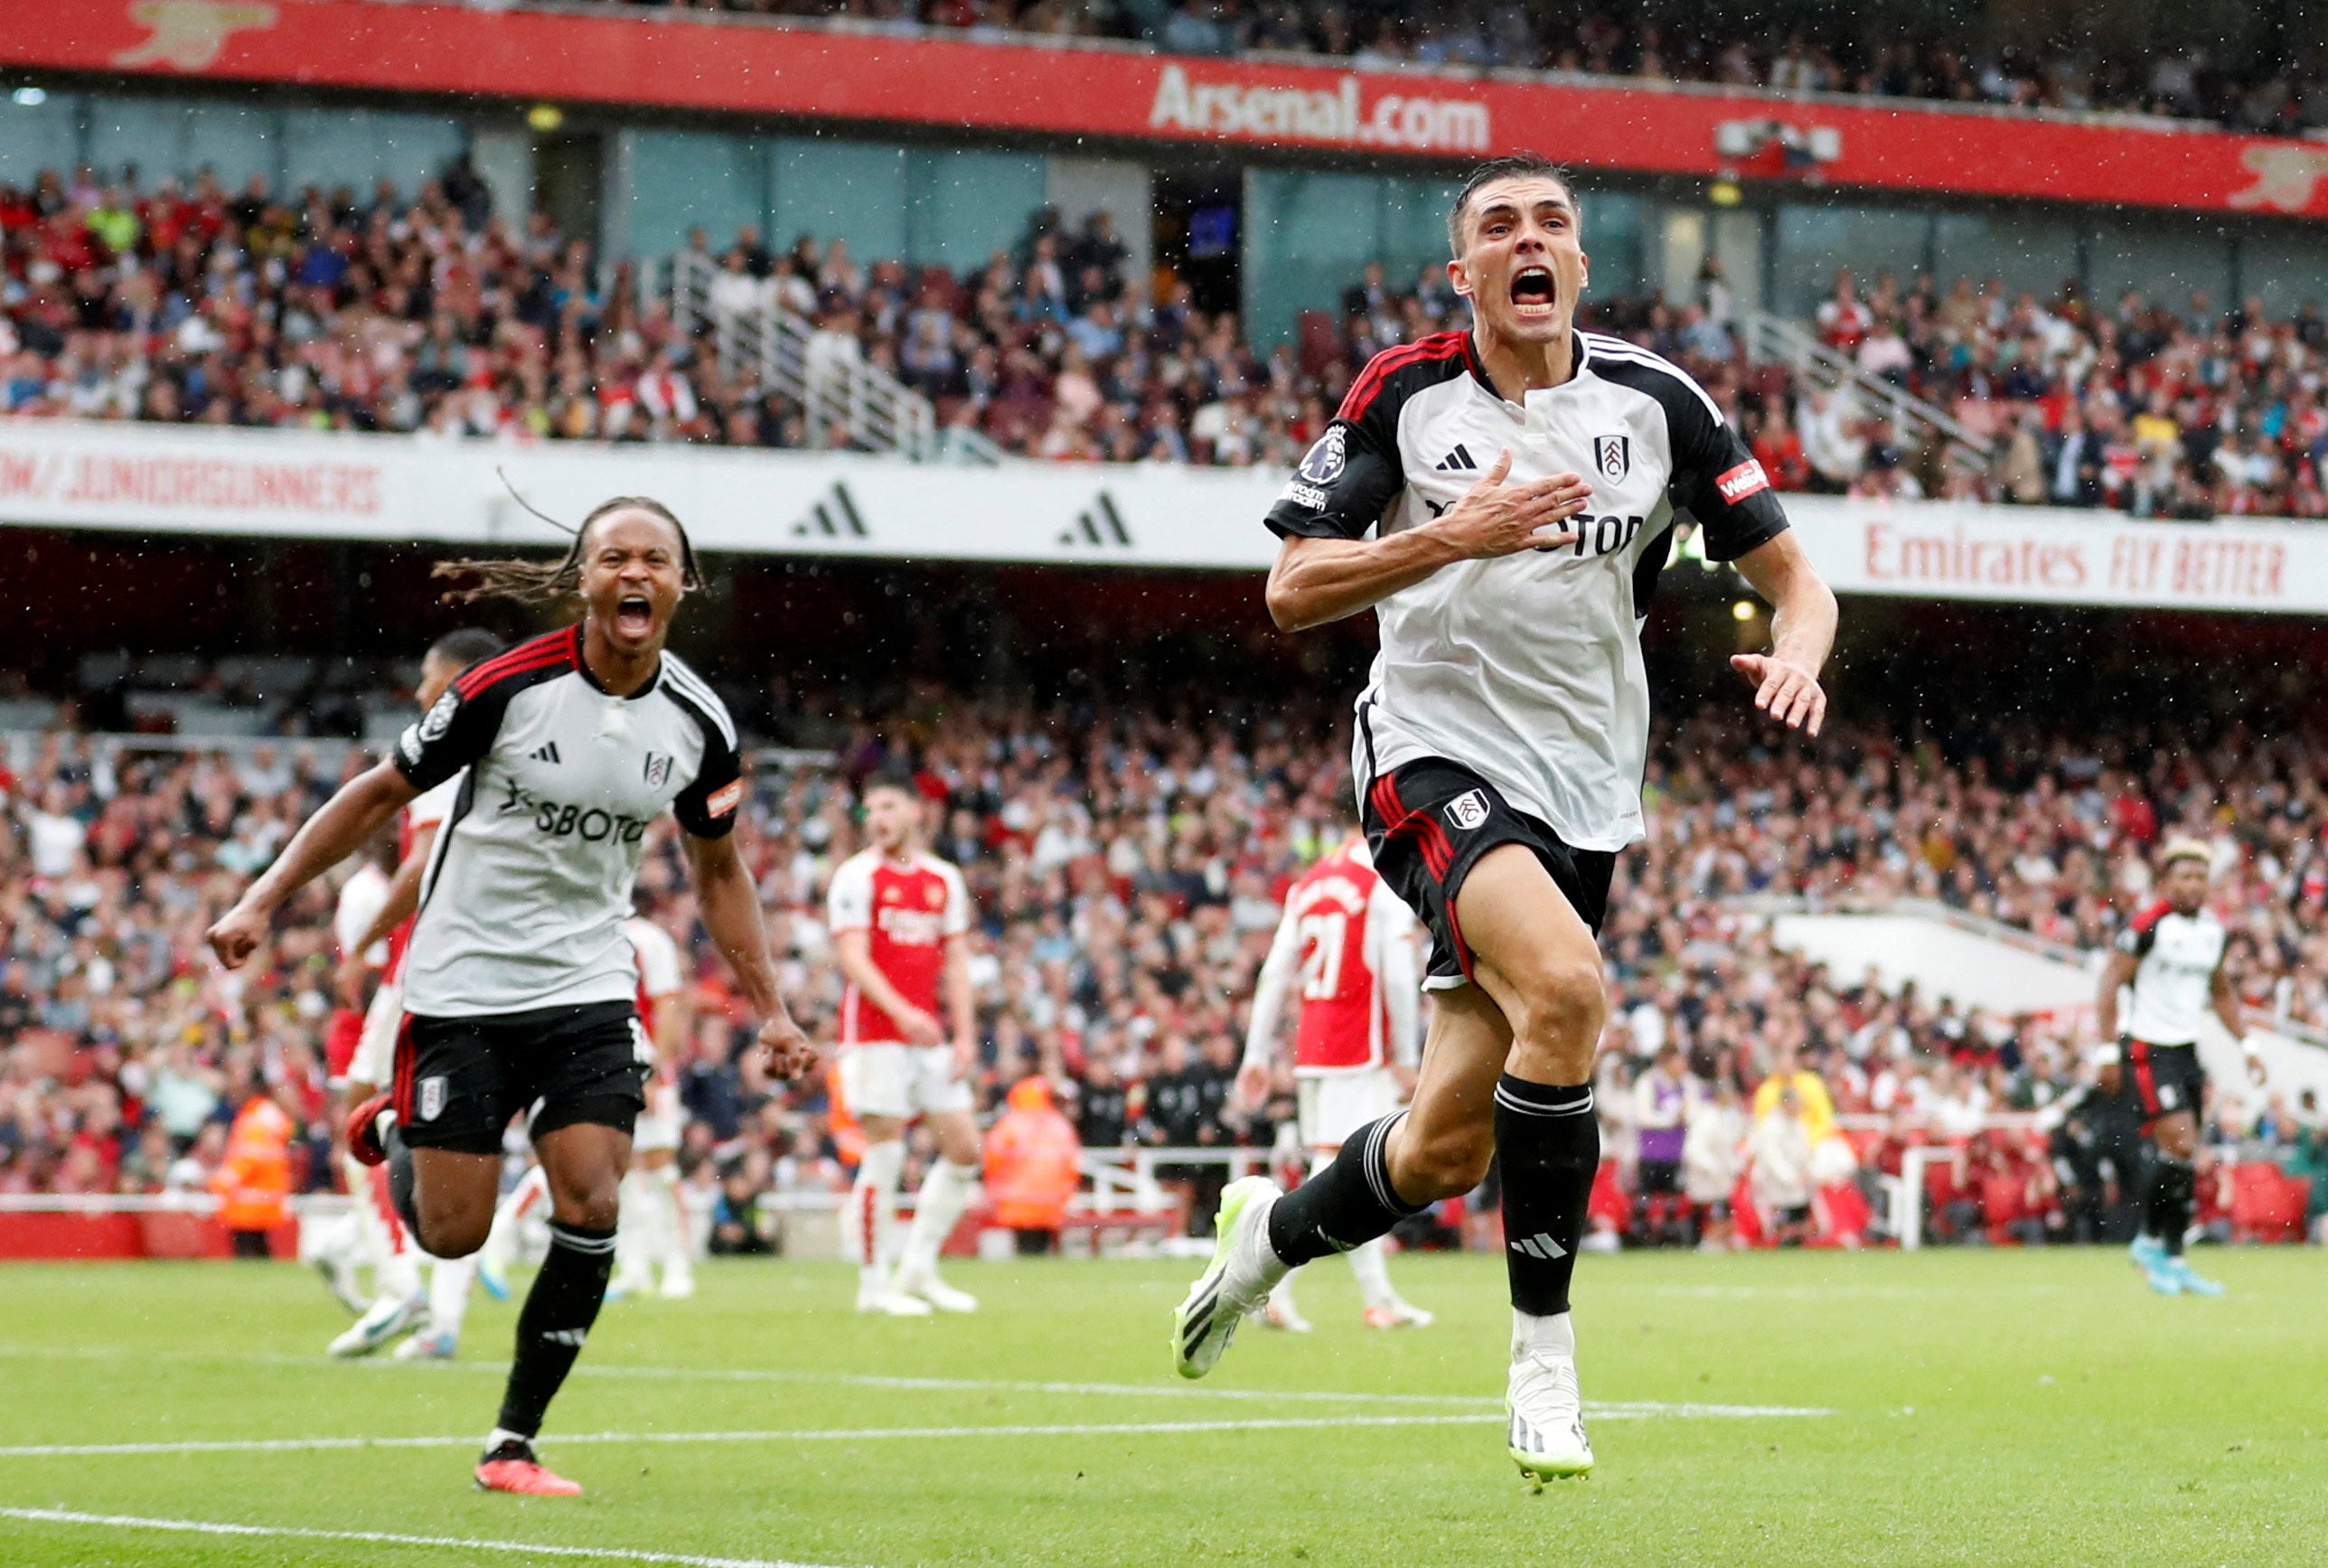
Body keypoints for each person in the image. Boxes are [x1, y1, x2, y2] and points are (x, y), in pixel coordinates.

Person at [1171, 154, 1836, 1486]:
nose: (1528, 241)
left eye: (1552, 223)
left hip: (1588, 786)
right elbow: (1292, 589)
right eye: (1498, 226)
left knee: (1443, 1141)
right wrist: (1446, 537)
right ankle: (1544, 1363)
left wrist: (1803, 652)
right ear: (1463, 271)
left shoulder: (1658, 403)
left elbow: (1795, 577)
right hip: (1429, 753)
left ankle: (1264, 1240)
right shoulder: (1405, 397)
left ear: (1579, 264)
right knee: (1573, 987)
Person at [207, 496, 816, 1497]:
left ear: (679, 584)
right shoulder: (506, 685)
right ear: (582, 578)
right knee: (453, 1232)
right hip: (463, 984)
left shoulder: (700, 722)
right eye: (612, 556)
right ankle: (398, 1122)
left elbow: (718, 871)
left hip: (586, 985)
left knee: (594, 1197)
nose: (633, 572)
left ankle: (512, 1443)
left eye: (653, 559)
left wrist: (774, 1008)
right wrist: (264, 897)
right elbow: (377, 793)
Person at [327, 627, 505, 1361]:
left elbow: (425, 863)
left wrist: (365, 942)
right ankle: (440, 1318)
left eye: (430, 677)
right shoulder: (516, 750)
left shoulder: (444, 750)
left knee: (363, 1115)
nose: (421, 691)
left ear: (460, 676)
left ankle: (401, 1281)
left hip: (427, 966)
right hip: (494, 970)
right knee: (467, 1137)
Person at [1238, 828, 1432, 1331]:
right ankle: (1269, 1286)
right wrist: (1407, 1054)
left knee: (1347, 1172)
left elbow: (1276, 973)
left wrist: (1256, 1052)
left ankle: (1375, 1296)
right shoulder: (1381, 881)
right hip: (1359, 1049)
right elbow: (1395, 975)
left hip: (1315, 1047)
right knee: (1346, 1176)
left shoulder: (1310, 883)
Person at [827, 769, 982, 1315]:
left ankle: (917, 1268)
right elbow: (852, 957)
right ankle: (873, 1286)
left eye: (889, 806)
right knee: (885, 1151)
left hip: (928, 1036)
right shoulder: (856, 876)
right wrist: (903, 1014)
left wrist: (964, 1034)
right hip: (875, 1035)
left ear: (917, 812)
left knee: (964, 1149)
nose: (879, 818)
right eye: (871, 809)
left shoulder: (943, 879)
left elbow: (958, 962)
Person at [2094, 837, 2265, 1296]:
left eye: (2199, 876)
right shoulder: (2149, 925)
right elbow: (2110, 982)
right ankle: (2149, 1241)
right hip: (2149, 1048)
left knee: (2185, 1156)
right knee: (2182, 1141)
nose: (2193, 884)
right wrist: (2106, 1051)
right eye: (2184, 875)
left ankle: (2173, 1257)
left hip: (2187, 1051)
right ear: (2167, 881)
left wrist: (2247, 1044)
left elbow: (2222, 993)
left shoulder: (2212, 931)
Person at [610, 901, 695, 1300]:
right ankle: (635, 1266)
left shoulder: (646, 939)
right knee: (624, 1173)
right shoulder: (596, 935)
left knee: (661, 1168)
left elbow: (668, 1005)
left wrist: (656, 1073)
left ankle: (678, 1264)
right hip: (610, 1069)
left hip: (646, 1066)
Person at [984, 1075, 1083, 1254]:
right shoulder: (1059, 1125)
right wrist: (1067, 1193)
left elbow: (993, 1160)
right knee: (1041, 1247)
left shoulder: (1009, 1124)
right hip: (1050, 1200)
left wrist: (993, 1189)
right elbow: (1071, 1163)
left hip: (1017, 1199)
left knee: (1024, 1248)